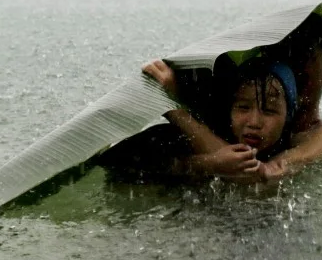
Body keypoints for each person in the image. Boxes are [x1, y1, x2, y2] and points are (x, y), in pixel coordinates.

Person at [141, 13, 322, 184]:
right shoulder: (233, 113)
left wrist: (173, 107)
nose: (291, 65)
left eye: (303, 57)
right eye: (283, 54)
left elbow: (257, 176)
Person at [99, 58, 299, 184]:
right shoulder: (181, 139)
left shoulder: (295, 149)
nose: (254, 122)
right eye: (243, 107)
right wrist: (207, 165)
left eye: (270, 111)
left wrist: (169, 106)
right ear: (229, 109)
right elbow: (119, 166)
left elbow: (251, 177)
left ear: (289, 116)